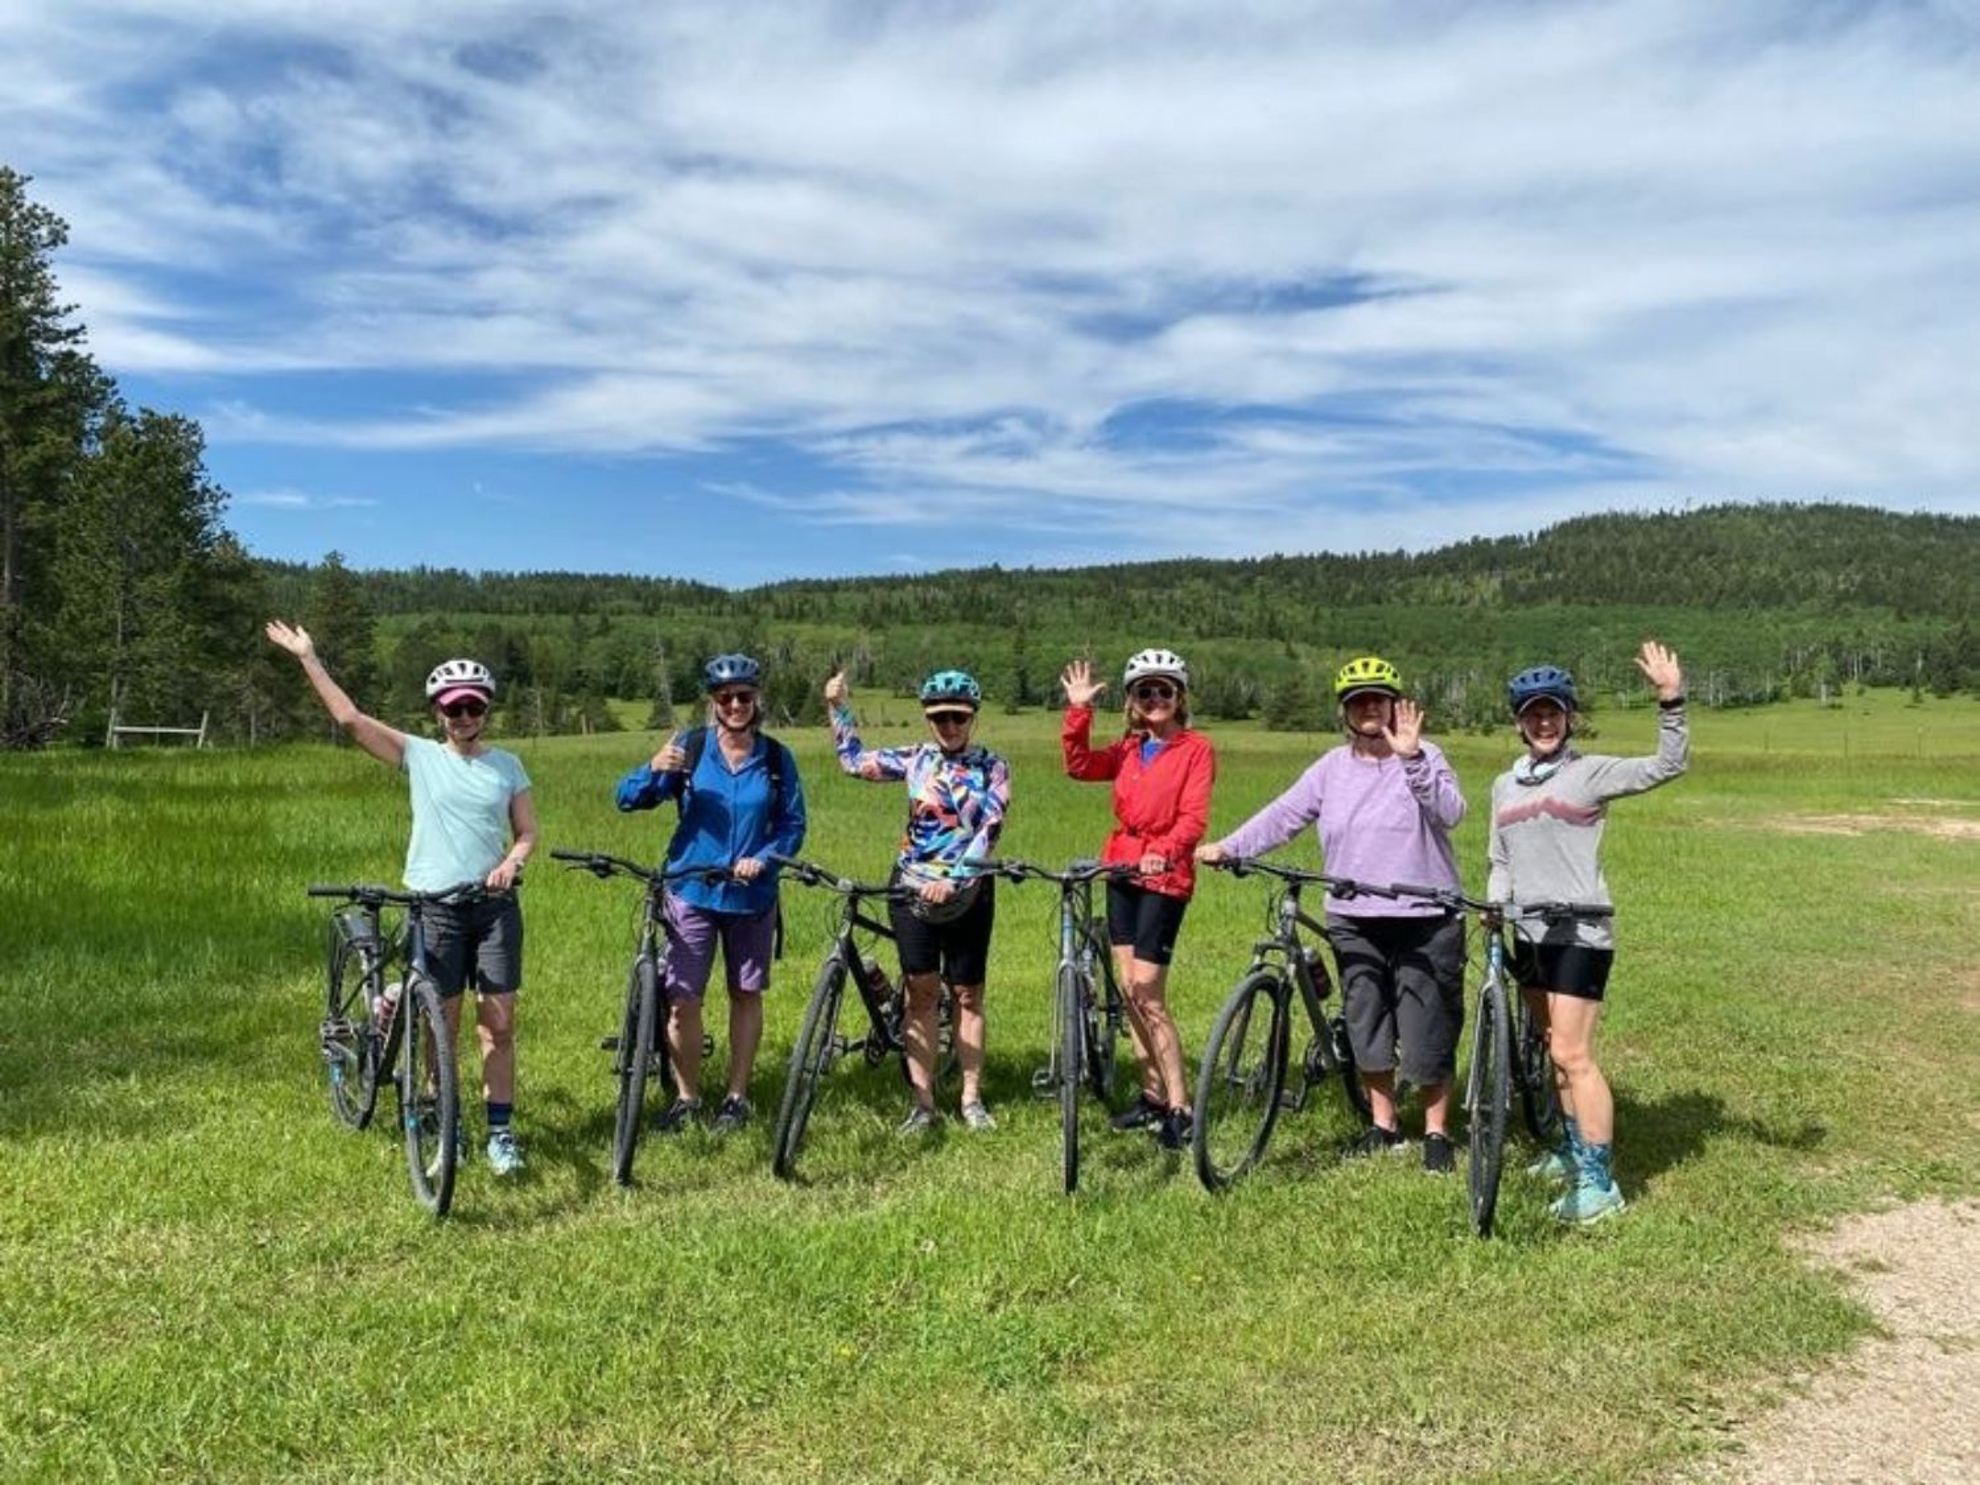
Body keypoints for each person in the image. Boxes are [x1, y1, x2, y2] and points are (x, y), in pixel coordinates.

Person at [265, 621, 537, 1176]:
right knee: (445, 1024)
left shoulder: (507, 765)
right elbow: (350, 720)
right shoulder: (420, 756)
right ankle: (446, 1120)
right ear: (439, 712)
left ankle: (501, 1132)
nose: (464, 718)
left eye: (473, 708)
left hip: (493, 911)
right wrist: (308, 657)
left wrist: (511, 863)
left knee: (499, 1025)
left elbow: (527, 832)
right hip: (435, 906)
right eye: (454, 709)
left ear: (486, 710)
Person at [1198, 656, 1468, 1173]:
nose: (1370, 708)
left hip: (1424, 914)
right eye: (1358, 701)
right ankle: (1383, 1126)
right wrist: (1231, 847)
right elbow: (1284, 813)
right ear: (1345, 712)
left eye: (1379, 698)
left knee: (1425, 1025)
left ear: (1395, 705)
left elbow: (1451, 813)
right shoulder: (1330, 768)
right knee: (1366, 1021)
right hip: (1353, 914)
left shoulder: (1426, 754)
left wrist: (1411, 760)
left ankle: (1436, 1133)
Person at [1489, 641, 1688, 1225]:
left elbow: (1665, 765)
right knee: (1551, 1053)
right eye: (1532, 713)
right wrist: (1496, 905)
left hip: (1580, 930)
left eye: (1553, 711)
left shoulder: (1590, 772)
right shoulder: (1505, 785)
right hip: (1526, 933)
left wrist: (1669, 700)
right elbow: (1499, 859)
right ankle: (1569, 1152)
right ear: (1519, 723)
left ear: (1569, 717)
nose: (1543, 721)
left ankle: (1600, 1185)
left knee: (1573, 1053)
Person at [615, 654, 806, 1135]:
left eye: (744, 696)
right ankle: (687, 1097)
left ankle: (737, 1097)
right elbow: (628, 798)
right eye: (726, 697)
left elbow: (792, 825)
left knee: (745, 993)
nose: (736, 704)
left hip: (752, 895)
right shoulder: (691, 748)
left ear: (756, 698)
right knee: (683, 997)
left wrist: (764, 857)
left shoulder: (777, 759)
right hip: (691, 890)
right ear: (713, 702)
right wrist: (651, 768)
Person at [826, 667, 1010, 1134]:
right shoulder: (915, 759)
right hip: (910, 888)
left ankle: (971, 1098)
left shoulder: (994, 766)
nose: (949, 726)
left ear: (973, 718)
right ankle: (924, 1103)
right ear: (928, 719)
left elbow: (989, 828)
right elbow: (853, 762)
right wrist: (838, 708)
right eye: (939, 718)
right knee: (921, 995)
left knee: (968, 995)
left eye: (958, 717)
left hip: (968, 891)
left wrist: (955, 877)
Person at [1060, 649, 1215, 1152]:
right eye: (1144, 691)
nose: (1154, 699)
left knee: (1148, 993)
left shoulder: (1196, 749)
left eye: (1163, 690)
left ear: (1179, 697)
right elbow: (1079, 766)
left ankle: (1180, 1107)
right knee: (1128, 989)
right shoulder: (1129, 749)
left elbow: (1193, 818)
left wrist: (1163, 852)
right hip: (1122, 868)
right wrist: (1079, 710)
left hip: (1164, 878)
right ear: (1131, 701)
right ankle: (1151, 1096)